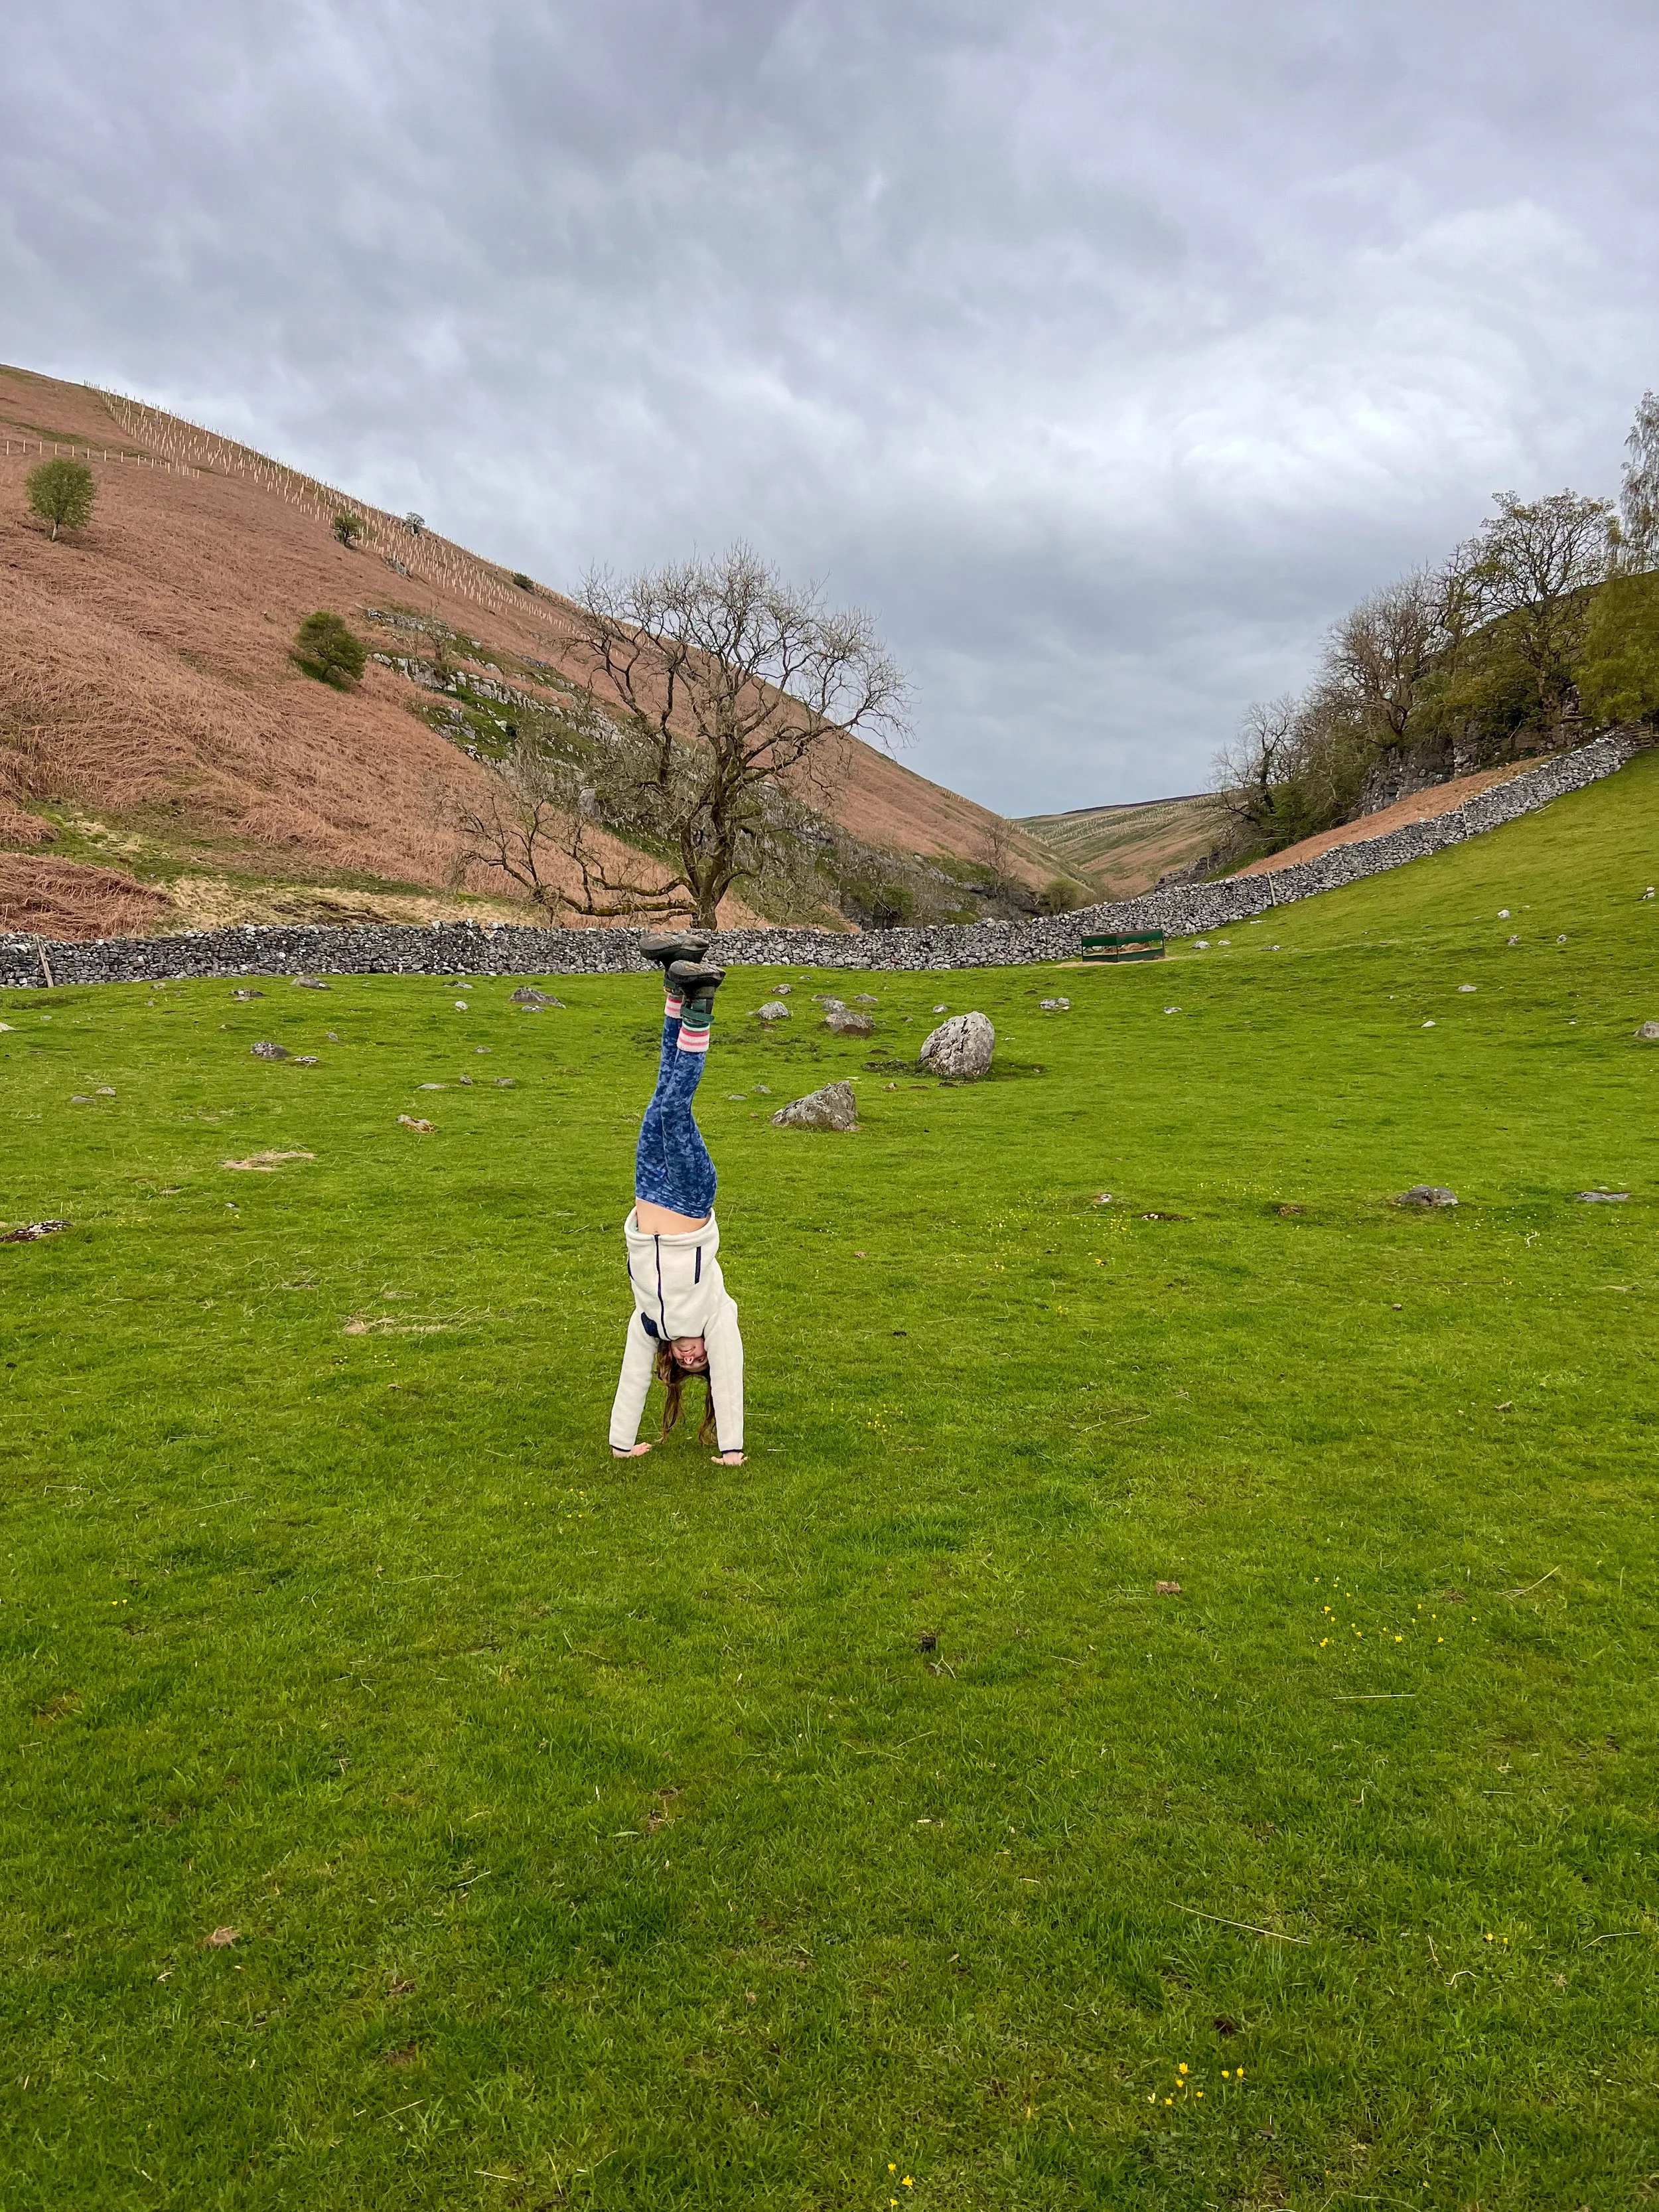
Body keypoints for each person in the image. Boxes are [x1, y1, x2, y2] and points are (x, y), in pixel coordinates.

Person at [609, 930, 746, 1466]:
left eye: (685, 1361)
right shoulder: (716, 1313)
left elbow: (631, 1376)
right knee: (673, 1109)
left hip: (646, 1194)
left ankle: (676, 975)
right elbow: (729, 1376)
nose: (693, 1355)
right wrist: (731, 1448)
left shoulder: (649, 1323)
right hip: (690, 1200)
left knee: (660, 1095)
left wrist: (622, 1443)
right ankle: (702, 1000)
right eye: (701, 1360)